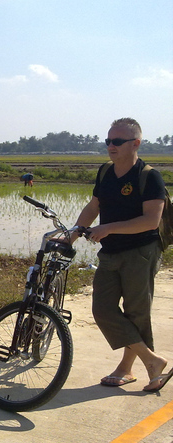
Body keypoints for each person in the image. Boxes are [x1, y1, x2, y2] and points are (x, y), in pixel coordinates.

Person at [72, 117, 172, 392]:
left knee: (136, 312)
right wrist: (74, 232)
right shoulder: (105, 172)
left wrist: (108, 228)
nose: (110, 146)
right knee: (102, 309)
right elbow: (94, 205)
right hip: (111, 252)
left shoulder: (149, 176)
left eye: (117, 141)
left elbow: (151, 220)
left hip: (140, 252)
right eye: (108, 141)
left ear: (135, 143)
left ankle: (128, 368)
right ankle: (152, 360)